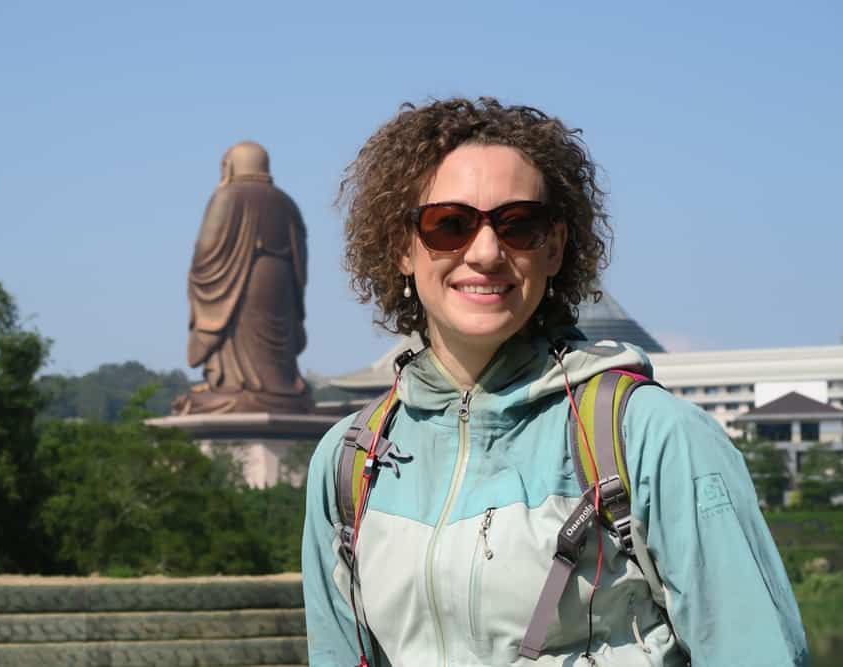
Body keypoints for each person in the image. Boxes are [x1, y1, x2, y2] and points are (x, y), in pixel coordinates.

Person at [301, 98, 808, 666]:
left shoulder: (651, 437)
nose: (487, 252)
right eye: (450, 225)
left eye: (519, 225)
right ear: (402, 247)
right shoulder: (351, 463)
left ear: (557, 247)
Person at [174, 141, 311, 415]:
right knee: (272, 357)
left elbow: (206, 253)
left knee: (236, 344)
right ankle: (280, 386)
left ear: (230, 165)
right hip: (279, 287)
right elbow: (301, 261)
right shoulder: (287, 203)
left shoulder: (228, 196)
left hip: (237, 287)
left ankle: (234, 387)